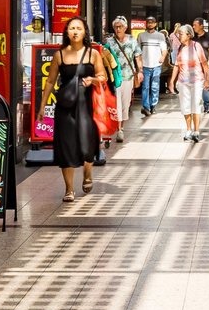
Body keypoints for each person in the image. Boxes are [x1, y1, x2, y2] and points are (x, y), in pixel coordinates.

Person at [40, 16, 108, 202]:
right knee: (65, 146)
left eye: (79, 28)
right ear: (66, 32)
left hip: (86, 107)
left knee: (87, 144)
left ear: (85, 31)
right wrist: (42, 107)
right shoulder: (59, 55)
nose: (75, 31)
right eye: (72, 28)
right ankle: (69, 189)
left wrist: (92, 80)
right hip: (65, 106)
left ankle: (87, 173)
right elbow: (50, 82)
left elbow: (103, 77)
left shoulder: (92, 53)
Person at [169, 24, 209, 142]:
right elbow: (176, 66)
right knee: (185, 106)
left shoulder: (197, 46)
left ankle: (196, 131)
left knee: (196, 104)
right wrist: (172, 81)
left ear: (189, 35)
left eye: (181, 34)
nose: (179, 36)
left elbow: (205, 65)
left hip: (197, 81)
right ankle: (188, 130)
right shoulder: (180, 48)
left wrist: (207, 80)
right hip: (183, 81)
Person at [104, 17, 141, 143]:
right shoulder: (109, 42)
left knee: (125, 103)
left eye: (120, 27)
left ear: (125, 27)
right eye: (116, 27)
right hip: (113, 77)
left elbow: (138, 57)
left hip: (128, 76)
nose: (118, 29)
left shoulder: (132, 40)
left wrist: (140, 71)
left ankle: (122, 126)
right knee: (115, 103)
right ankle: (119, 129)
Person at [137, 16, 169, 116]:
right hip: (145, 65)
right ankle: (146, 107)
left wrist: (163, 57)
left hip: (156, 64)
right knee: (145, 86)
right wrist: (139, 64)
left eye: (152, 22)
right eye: (148, 22)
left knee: (155, 86)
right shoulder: (141, 35)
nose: (150, 24)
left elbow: (164, 49)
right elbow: (137, 51)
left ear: (155, 24)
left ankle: (153, 105)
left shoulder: (160, 36)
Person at [192, 17, 209, 115]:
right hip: (193, 66)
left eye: (195, 25)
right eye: (193, 25)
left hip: (205, 66)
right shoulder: (192, 38)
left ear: (201, 26)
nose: (194, 27)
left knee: (206, 86)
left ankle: (206, 106)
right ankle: (196, 104)